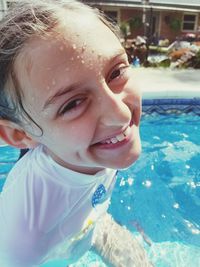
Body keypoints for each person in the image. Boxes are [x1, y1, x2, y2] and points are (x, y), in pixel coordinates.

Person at [0, 1, 152, 266]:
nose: (121, 115)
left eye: (116, 72)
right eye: (72, 104)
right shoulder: (21, 239)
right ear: (19, 135)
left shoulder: (95, 146)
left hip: (93, 224)